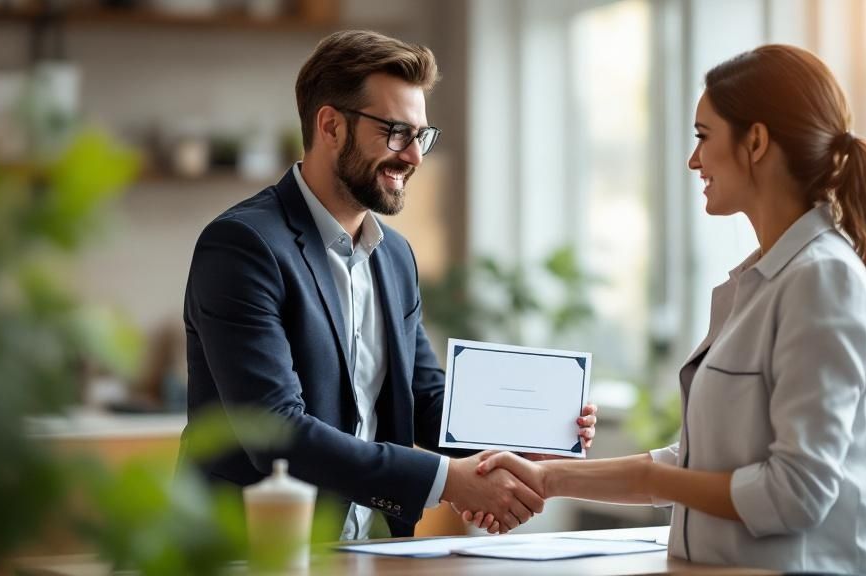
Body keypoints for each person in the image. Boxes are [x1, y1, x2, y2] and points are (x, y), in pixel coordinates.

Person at [467, 44, 866, 574]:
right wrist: (548, 478)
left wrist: (654, 480)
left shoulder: (822, 280)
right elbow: (701, 464)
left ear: (756, 141)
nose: (694, 160)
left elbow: (796, 493)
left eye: (703, 136)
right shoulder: (764, 281)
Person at [179, 29, 597, 540]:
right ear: (331, 126)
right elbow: (275, 432)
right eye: (397, 132)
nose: (414, 156)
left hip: (372, 547)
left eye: (420, 135)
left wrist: (530, 439)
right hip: (252, 551)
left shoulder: (394, 255)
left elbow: (422, 397)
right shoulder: (243, 246)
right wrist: (448, 481)